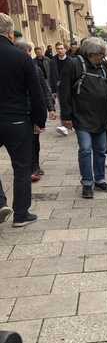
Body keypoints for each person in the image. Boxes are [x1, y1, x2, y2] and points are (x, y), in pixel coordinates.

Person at [0, 13, 47, 227]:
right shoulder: (21, 57)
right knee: (21, 167)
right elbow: (36, 93)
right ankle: (20, 214)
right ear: (10, 33)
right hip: (16, 119)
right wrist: (40, 119)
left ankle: (0, 202)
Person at [58, 37, 107, 199]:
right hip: (81, 117)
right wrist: (66, 116)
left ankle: (99, 179)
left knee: (100, 150)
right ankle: (86, 183)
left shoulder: (103, 66)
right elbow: (65, 92)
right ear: (92, 54)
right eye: (102, 54)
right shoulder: (74, 64)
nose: (104, 57)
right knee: (85, 149)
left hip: (100, 117)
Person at [15, 40, 56, 181]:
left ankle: (36, 165)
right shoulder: (14, 69)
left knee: (35, 139)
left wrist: (50, 107)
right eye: (25, 51)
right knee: (28, 139)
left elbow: (44, 90)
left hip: (33, 110)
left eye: (29, 51)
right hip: (21, 111)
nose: (28, 54)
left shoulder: (36, 69)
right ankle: (31, 168)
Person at [51, 41, 72, 136]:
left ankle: (74, 123)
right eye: (58, 49)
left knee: (73, 106)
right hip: (59, 88)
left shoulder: (71, 61)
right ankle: (63, 126)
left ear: (65, 49)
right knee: (62, 106)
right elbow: (51, 76)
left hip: (70, 88)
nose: (60, 50)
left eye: (61, 48)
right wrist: (53, 90)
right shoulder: (53, 61)